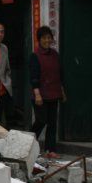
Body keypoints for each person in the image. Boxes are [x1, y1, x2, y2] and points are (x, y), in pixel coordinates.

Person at [30, 26, 66, 156]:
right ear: (39, 40)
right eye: (44, 38)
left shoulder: (55, 54)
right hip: (40, 95)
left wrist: (62, 91)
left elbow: (59, 74)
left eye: (49, 38)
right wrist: (37, 94)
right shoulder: (35, 56)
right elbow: (34, 77)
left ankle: (50, 150)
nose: (47, 40)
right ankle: (28, 141)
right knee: (41, 120)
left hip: (54, 93)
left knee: (52, 123)